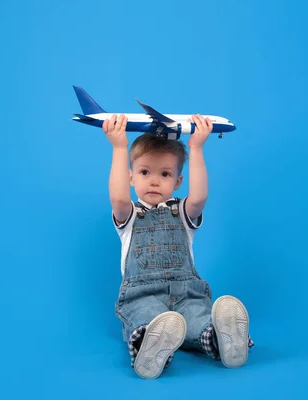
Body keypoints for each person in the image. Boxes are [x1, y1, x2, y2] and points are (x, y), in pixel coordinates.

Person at [102, 114, 253, 379]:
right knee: (149, 318)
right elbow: (117, 196)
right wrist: (118, 147)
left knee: (198, 320)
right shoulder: (129, 215)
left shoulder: (182, 212)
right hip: (143, 296)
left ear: (177, 182)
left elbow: (200, 196)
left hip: (187, 295)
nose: (154, 181)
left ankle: (223, 339)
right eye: (144, 172)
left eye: (165, 174)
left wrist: (196, 148)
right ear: (131, 177)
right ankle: (152, 347)